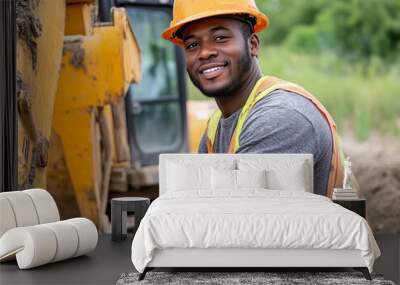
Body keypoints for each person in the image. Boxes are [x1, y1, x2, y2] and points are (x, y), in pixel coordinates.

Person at [161, 0, 345, 197]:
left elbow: (239, 217)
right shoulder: (215, 127)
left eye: (221, 38)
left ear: (253, 45)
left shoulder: (279, 116)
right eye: (193, 45)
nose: (205, 52)